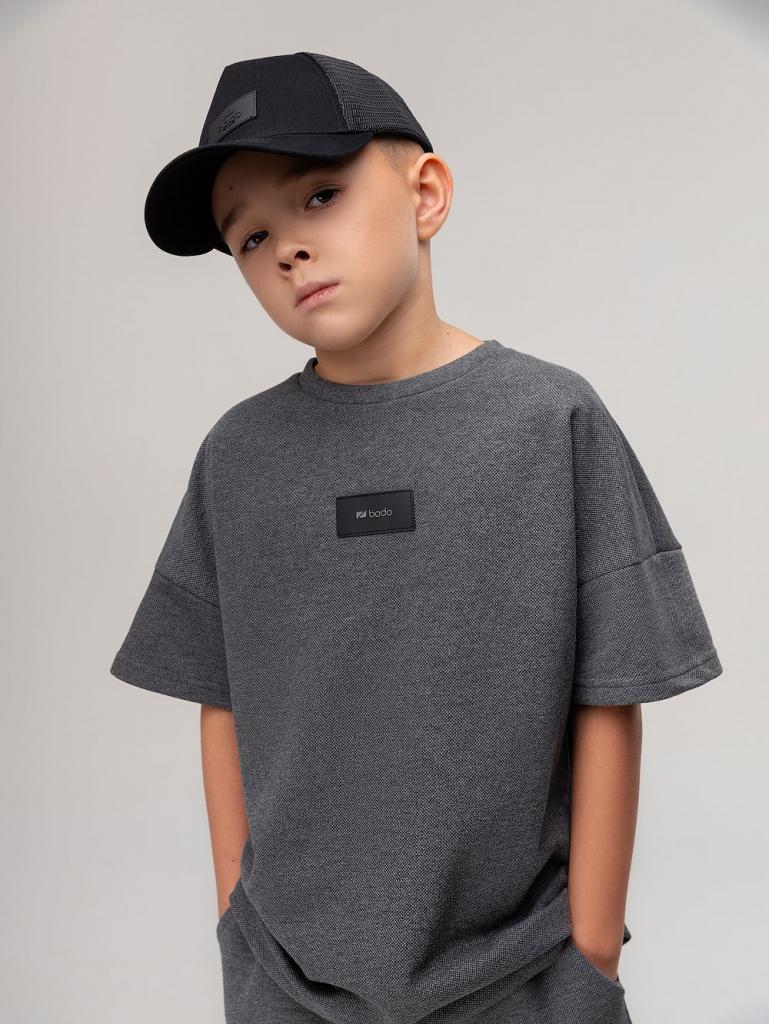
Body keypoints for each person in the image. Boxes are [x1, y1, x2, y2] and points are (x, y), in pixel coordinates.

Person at [109, 51, 723, 1024]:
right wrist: (236, 926)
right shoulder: (238, 457)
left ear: (425, 193)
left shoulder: (549, 421)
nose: (286, 249)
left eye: (319, 196)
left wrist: (591, 954)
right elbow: (218, 695)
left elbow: (611, 693)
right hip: (286, 985)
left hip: (519, 980)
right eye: (250, 235)